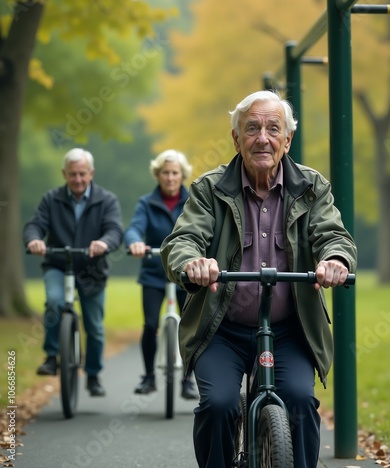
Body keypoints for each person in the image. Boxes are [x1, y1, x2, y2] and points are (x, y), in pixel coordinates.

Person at [160, 90, 357, 468]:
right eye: (251, 128)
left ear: (288, 139)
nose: (262, 138)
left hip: (288, 330)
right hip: (222, 329)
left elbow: (334, 235)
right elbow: (182, 240)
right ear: (236, 138)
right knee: (217, 406)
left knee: (300, 401)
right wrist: (193, 263)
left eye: (272, 128)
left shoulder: (313, 187)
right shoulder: (209, 189)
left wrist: (334, 259)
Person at [23, 148, 123, 397]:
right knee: (55, 303)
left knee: (95, 326)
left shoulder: (106, 199)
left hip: (92, 269)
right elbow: (35, 225)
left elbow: (115, 230)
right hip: (59, 264)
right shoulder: (51, 199)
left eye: (82, 174)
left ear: (91, 173)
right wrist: (34, 240)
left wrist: (104, 243)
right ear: (64, 174)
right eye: (72, 174)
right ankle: (51, 356)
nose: (78, 179)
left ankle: (92, 374)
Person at [124, 149, 198, 400]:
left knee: (190, 326)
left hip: (184, 273)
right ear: (158, 174)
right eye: (165, 173)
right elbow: (134, 228)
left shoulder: (193, 201)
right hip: (154, 273)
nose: (170, 178)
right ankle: (148, 377)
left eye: (175, 173)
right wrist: (135, 243)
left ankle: (188, 380)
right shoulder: (147, 202)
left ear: (182, 175)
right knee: (150, 324)